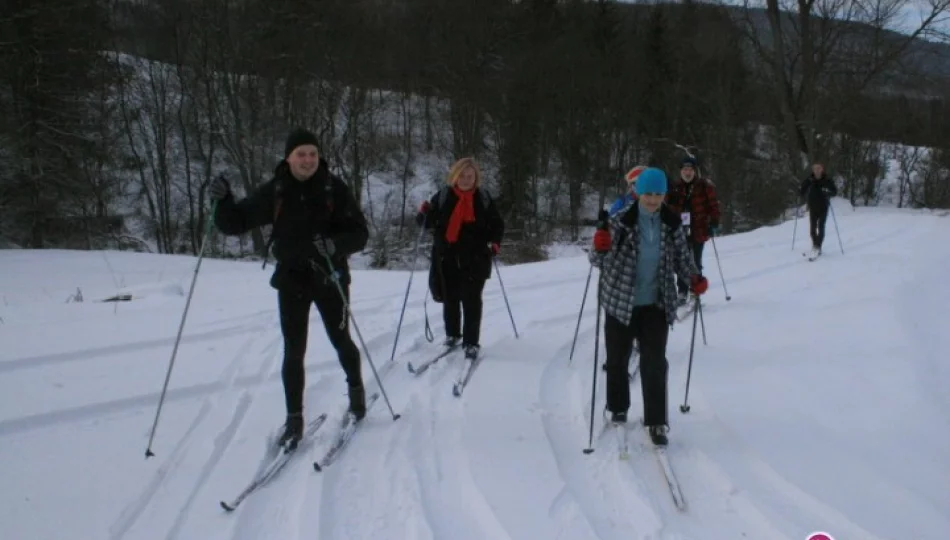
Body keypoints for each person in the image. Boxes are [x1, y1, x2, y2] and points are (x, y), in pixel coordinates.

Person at [207, 128, 370, 451]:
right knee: (294, 351)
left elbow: (360, 234)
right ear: (289, 158)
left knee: (341, 340)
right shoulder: (277, 190)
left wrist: (335, 244)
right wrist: (222, 200)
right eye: (301, 154)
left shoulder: (333, 189)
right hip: (292, 280)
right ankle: (294, 419)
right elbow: (234, 223)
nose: (307, 160)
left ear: (318, 156)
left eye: (312, 153)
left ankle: (357, 394)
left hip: (330, 277)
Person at [589, 167, 708, 446]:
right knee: (617, 359)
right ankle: (618, 406)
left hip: (655, 302)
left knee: (654, 362)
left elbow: (682, 256)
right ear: (638, 192)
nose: (653, 199)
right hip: (620, 300)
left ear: (664, 194)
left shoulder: (672, 222)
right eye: (648, 194)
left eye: (658, 194)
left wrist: (693, 278)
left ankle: (656, 421)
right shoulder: (620, 221)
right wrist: (600, 245)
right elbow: (597, 261)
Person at [416, 157, 504, 361]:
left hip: (476, 257)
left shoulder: (483, 198)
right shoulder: (444, 196)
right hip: (446, 256)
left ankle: (471, 342)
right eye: (462, 175)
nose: (466, 179)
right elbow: (426, 223)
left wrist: (495, 242)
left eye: (470, 176)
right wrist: (423, 213)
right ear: (454, 176)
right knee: (450, 298)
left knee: (472, 300)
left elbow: (497, 224)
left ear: (476, 178)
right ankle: (453, 334)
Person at [664, 156, 720, 305]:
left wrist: (714, 222)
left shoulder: (704, 186)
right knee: (681, 260)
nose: (687, 173)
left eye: (690, 170)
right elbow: (668, 207)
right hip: (680, 231)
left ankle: (695, 290)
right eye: (684, 170)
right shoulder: (675, 188)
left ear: (695, 171)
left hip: (699, 229)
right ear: (681, 171)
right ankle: (682, 292)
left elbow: (714, 205)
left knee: (695, 261)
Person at [799, 162, 837, 258]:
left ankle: (818, 246)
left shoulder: (827, 180)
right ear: (813, 170)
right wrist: (800, 192)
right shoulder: (810, 179)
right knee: (812, 229)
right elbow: (802, 190)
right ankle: (815, 245)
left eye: (818, 168)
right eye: (815, 169)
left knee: (821, 227)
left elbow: (834, 192)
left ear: (822, 169)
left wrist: (827, 192)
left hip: (823, 206)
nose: (817, 171)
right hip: (812, 206)